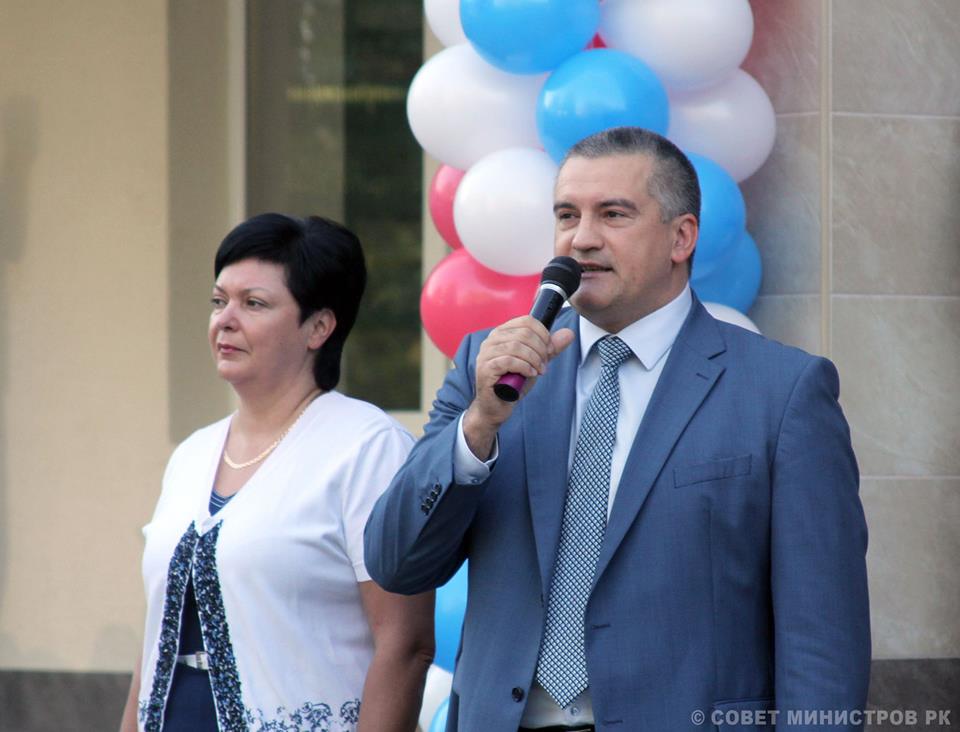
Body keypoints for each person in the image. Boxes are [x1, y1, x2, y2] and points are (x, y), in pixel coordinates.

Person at [364, 127, 870, 731]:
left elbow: (822, 638)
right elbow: (396, 563)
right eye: (567, 215)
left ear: (681, 237)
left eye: (613, 214)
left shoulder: (781, 392)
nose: (581, 238)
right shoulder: (491, 370)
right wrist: (478, 427)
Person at [120, 213, 434, 732]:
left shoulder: (367, 448)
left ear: (319, 327)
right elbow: (155, 636)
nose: (225, 320)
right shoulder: (192, 455)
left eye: (254, 304)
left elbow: (406, 643)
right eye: (219, 301)